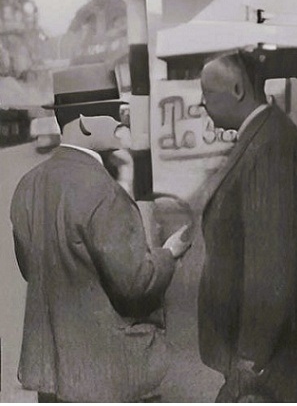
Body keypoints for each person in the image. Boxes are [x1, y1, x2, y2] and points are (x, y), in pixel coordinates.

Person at [10, 63, 191, 403]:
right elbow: (137, 284)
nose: (122, 121)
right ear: (85, 123)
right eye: (113, 113)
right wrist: (169, 254)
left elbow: (31, 269)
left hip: (53, 373)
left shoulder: (28, 185)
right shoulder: (103, 191)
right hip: (108, 374)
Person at [197, 50, 297, 403]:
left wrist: (251, 356)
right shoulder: (264, 138)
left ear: (236, 89)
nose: (201, 104)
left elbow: (272, 264)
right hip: (278, 356)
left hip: (278, 362)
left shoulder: (270, 148)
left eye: (206, 94)